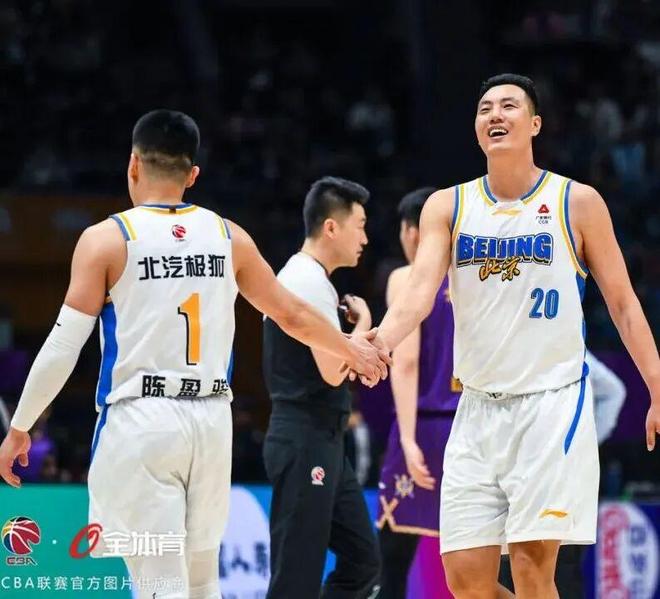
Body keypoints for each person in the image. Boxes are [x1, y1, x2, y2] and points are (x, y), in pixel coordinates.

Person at [0, 111, 388, 599]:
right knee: (202, 584)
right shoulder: (229, 236)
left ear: (133, 164)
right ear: (193, 174)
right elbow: (291, 314)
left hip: (144, 421)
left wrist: (21, 427)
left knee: (160, 585)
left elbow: (63, 345)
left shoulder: (106, 239)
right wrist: (350, 346)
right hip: (211, 422)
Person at [358, 73, 660, 598]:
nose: (495, 115)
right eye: (485, 109)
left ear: (535, 124)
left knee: (530, 568)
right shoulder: (448, 206)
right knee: (465, 578)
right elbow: (418, 292)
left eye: (508, 106)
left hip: (550, 405)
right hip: (476, 408)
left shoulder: (577, 201)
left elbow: (623, 302)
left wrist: (656, 385)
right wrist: (379, 340)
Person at [262, 176, 381, 599]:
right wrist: (364, 324)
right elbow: (334, 371)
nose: (365, 238)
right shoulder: (305, 279)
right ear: (331, 227)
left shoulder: (315, 280)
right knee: (296, 576)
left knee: (362, 561)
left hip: (324, 438)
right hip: (303, 436)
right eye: (360, 225)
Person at [375, 187, 461, 599]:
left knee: (392, 558)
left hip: (424, 425)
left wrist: (408, 440)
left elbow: (405, 361)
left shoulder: (405, 278)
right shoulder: (480, 278)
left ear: (412, 232)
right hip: (474, 425)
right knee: (486, 555)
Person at [499, 349, 627, 596]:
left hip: (560, 467)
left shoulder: (569, 349)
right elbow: (615, 391)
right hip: (524, 466)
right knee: (517, 561)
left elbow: (615, 391)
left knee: (556, 562)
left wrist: (589, 440)